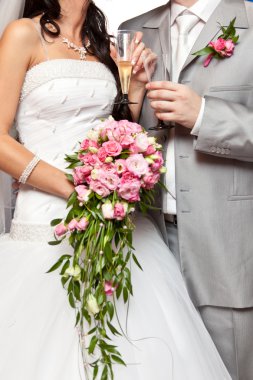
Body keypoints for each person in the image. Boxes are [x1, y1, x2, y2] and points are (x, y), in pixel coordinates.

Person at [0, 0, 231, 379]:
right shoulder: (24, 34)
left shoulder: (103, 43)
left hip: (114, 220)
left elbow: (119, 128)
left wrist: (136, 84)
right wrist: (71, 186)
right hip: (49, 217)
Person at [121, 0, 253, 379]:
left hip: (229, 251)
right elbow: (114, 130)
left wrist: (204, 116)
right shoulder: (133, 29)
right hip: (147, 245)